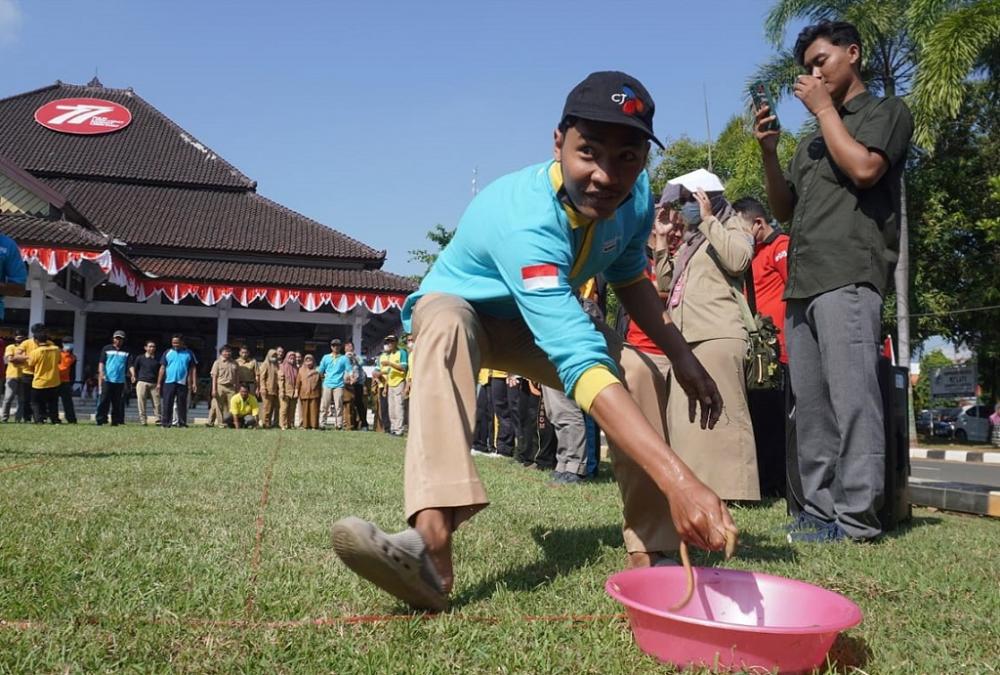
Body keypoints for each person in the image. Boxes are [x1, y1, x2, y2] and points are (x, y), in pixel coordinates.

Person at [332, 71, 734, 613]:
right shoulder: (525, 217)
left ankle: (655, 552)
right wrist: (681, 479)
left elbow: (630, 276)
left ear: (643, 160)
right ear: (558, 144)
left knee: (639, 368)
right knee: (446, 326)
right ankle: (428, 548)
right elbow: (579, 360)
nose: (605, 175)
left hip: (532, 322)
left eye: (627, 158)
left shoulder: (636, 199)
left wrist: (680, 355)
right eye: (588, 152)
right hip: (465, 307)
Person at [755, 20, 914, 542]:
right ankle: (818, 511)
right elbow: (783, 209)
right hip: (802, 282)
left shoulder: (885, 112)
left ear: (854, 54)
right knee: (812, 407)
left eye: (821, 61)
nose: (813, 72)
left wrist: (824, 110)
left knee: (853, 400)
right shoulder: (812, 143)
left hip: (849, 273)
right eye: (807, 68)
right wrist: (771, 152)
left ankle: (857, 519)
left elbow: (866, 170)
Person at [655, 169, 760, 505]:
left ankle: (733, 490)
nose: (684, 207)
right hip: (686, 338)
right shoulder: (690, 242)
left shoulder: (731, 226)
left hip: (719, 332)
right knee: (687, 423)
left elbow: (738, 260)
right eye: (683, 201)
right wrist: (660, 243)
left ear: (708, 198)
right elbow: (663, 286)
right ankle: (696, 488)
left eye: (690, 199)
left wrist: (708, 220)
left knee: (725, 417)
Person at [14, 323, 61, 424]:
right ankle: (27, 417)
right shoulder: (26, 343)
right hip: (28, 374)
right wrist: (28, 357)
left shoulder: (50, 344)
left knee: (39, 399)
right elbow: (17, 356)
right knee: (26, 398)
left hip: (41, 375)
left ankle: (41, 417)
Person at [158, 334, 198, 428]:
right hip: (168, 382)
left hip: (182, 382)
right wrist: (159, 383)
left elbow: (193, 369)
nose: (175, 344)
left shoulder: (189, 353)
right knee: (167, 403)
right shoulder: (167, 352)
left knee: (182, 404)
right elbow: (162, 367)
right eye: (173, 342)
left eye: (177, 342)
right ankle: (166, 423)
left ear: (182, 342)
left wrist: (194, 383)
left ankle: (182, 423)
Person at [96, 330, 130, 426]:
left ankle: (115, 421)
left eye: (120, 339)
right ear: (113, 338)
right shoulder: (106, 348)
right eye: (116, 338)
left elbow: (129, 364)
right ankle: (101, 419)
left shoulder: (126, 351)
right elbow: (101, 362)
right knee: (104, 400)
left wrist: (133, 374)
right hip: (107, 379)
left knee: (117, 402)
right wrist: (101, 373)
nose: (118, 340)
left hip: (119, 380)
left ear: (123, 340)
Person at [379, 335, 408, 436]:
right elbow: (389, 372)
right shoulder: (389, 355)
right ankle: (393, 428)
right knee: (391, 408)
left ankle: (399, 429)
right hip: (390, 383)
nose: (389, 343)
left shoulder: (402, 353)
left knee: (399, 406)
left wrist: (390, 364)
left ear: (396, 342)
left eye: (391, 341)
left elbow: (404, 368)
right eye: (388, 342)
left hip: (399, 381)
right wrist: (385, 387)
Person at [318, 339, 349, 429]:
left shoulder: (344, 358)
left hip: (339, 384)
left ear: (340, 347)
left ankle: (339, 424)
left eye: (338, 345)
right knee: (324, 405)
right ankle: (322, 423)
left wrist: (350, 376)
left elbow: (349, 369)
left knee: (339, 405)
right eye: (334, 345)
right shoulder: (326, 357)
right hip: (327, 384)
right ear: (331, 347)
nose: (336, 347)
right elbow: (320, 370)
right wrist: (322, 378)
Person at [130, 340, 162, 426]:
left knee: (157, 403)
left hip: (154, 383)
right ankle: (143, 421)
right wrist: (133, 375)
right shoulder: (140, 358)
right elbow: (133, 367)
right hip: (142, 382)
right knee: (141, 403)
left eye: (153, 346)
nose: (152, 348)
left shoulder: (158, 359)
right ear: (145, 348)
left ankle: (158, 420)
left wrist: (160, 383)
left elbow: (161, 371)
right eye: (150, 346)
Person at [210, 345, 239, 429]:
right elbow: (214, 377)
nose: (228, 353)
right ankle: (220, 423)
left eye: (229, 351)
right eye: (225, 351)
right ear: (221, 353)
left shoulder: (235, 363)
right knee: (219, 406)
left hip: (231, 387)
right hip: (220, 386)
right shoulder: (217, 362)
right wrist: (214, 389)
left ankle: (231, 423)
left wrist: (237, 387)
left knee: (233, 406)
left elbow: (237, 377)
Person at [2, 329, 26, 422]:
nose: (20, 339)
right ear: (15, 338)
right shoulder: (10, 347)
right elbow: (10, 359)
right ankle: (4, 418)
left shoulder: (27, 347)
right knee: (8, 398)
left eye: (22, 337)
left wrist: (16, 358)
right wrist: (24, 358)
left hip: (24, 376)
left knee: (22, 400)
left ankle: (18, 419)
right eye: (18, 337)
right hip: (12, 376)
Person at [344, 341, 368, 430]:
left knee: (359, 404)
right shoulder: (343, 358)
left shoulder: (358, 357)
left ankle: (364, 424)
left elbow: (362, 363)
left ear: (353, 348)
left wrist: (354, 357)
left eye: (350, 346)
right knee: (349, 404)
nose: (349, 348)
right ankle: (351, 424)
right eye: (347, 347)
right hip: (347, 385)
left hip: (358, 384)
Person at [297, 354, 322, 430]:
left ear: (313, 361)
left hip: (315, 394)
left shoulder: (317, 371)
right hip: (304, 393)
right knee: (305, 411)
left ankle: (314, 426)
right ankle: (305, 425)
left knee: (314, 411)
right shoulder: (301, 370)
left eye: (310, 360)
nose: (308, 362)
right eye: (307, 361)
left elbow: (322, 381)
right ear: (304, 362)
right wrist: (296, 391)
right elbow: (298, 382)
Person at [258, 349, 280, 429]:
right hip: (267, 390)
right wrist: (263, 388)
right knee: (267, 408)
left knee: (273, 408)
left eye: (275, 355)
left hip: (275, 390)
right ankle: (265, 423)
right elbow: (262, 378)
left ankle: (270, 423)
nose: (274, 357)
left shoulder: (277, 365)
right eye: (272, 355)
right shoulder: (265, 364)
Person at [57, 340, 77, 424]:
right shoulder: (57, 353)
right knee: (53, 401)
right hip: (55, 380)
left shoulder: (73, 357)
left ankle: (71, 419)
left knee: (68, 402)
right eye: (66, 343)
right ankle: (53, 417)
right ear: (62, 344)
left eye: (70, 343)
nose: (68, 345)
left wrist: (72, 383)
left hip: (66, 382)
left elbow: (73, 371)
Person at [277, 351, 299, 430]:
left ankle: (290, 424)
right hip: (285, 392)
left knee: (292, 409)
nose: (292, 359)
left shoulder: (296, 368)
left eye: (293, 358)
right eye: (290, 358)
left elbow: (298, 381)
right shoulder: (282, 367)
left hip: (293, 393)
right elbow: (280, 381)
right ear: (287, 358)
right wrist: (282, 391)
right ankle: (282, 424)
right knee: (284, 409)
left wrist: (296, 391)